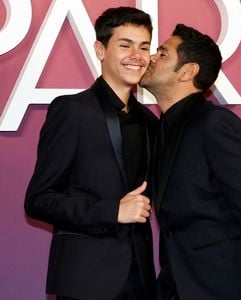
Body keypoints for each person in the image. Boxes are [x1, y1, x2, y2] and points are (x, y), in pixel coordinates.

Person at [140, 24, 241, 300]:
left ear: (187, 71)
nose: (149, 57)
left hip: (224, 287)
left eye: (162, 54)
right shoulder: (159, 129)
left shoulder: (215, 124)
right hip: (178, 286)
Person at [24, 7, 157, 300]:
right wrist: (112, 211)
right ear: (100, 49)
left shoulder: (149, 122)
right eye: (125, 45)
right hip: (86, 282)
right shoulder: (72, 111)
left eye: (144, 46)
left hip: (141, 281)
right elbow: (39, 200)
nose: (137, 55)